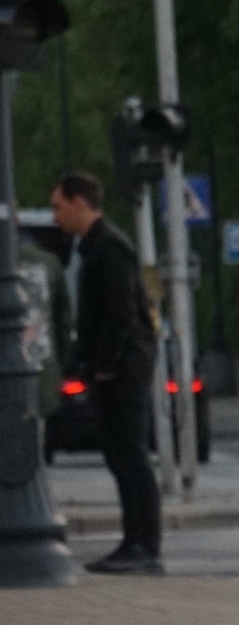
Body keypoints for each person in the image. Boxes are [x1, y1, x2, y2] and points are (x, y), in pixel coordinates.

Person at [49, 171, 161, 575]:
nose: (55, 216)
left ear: (80, 203)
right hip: (112, 367)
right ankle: (134, 541)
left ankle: (145, 546)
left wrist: (106, 368)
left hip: (123, 369)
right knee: (119, 456)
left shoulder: (109, 249)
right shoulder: (93, 248)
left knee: (130, 456)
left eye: (59, 206)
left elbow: (120, 315)